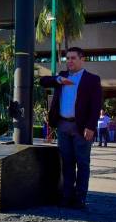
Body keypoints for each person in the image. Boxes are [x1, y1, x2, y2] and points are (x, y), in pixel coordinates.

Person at [39, 47, 102, 210]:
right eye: (67, 58)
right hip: (63, 125)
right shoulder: (62, 76)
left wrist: (91, 126)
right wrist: (59, 80)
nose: (70, 61)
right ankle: (67, 196)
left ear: (82, 59)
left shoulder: (92, 79)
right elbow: (43, 81)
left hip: (81, 127)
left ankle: (80, 198)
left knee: (82, 163)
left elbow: (96, 106)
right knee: (67, 163)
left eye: (73, 58)